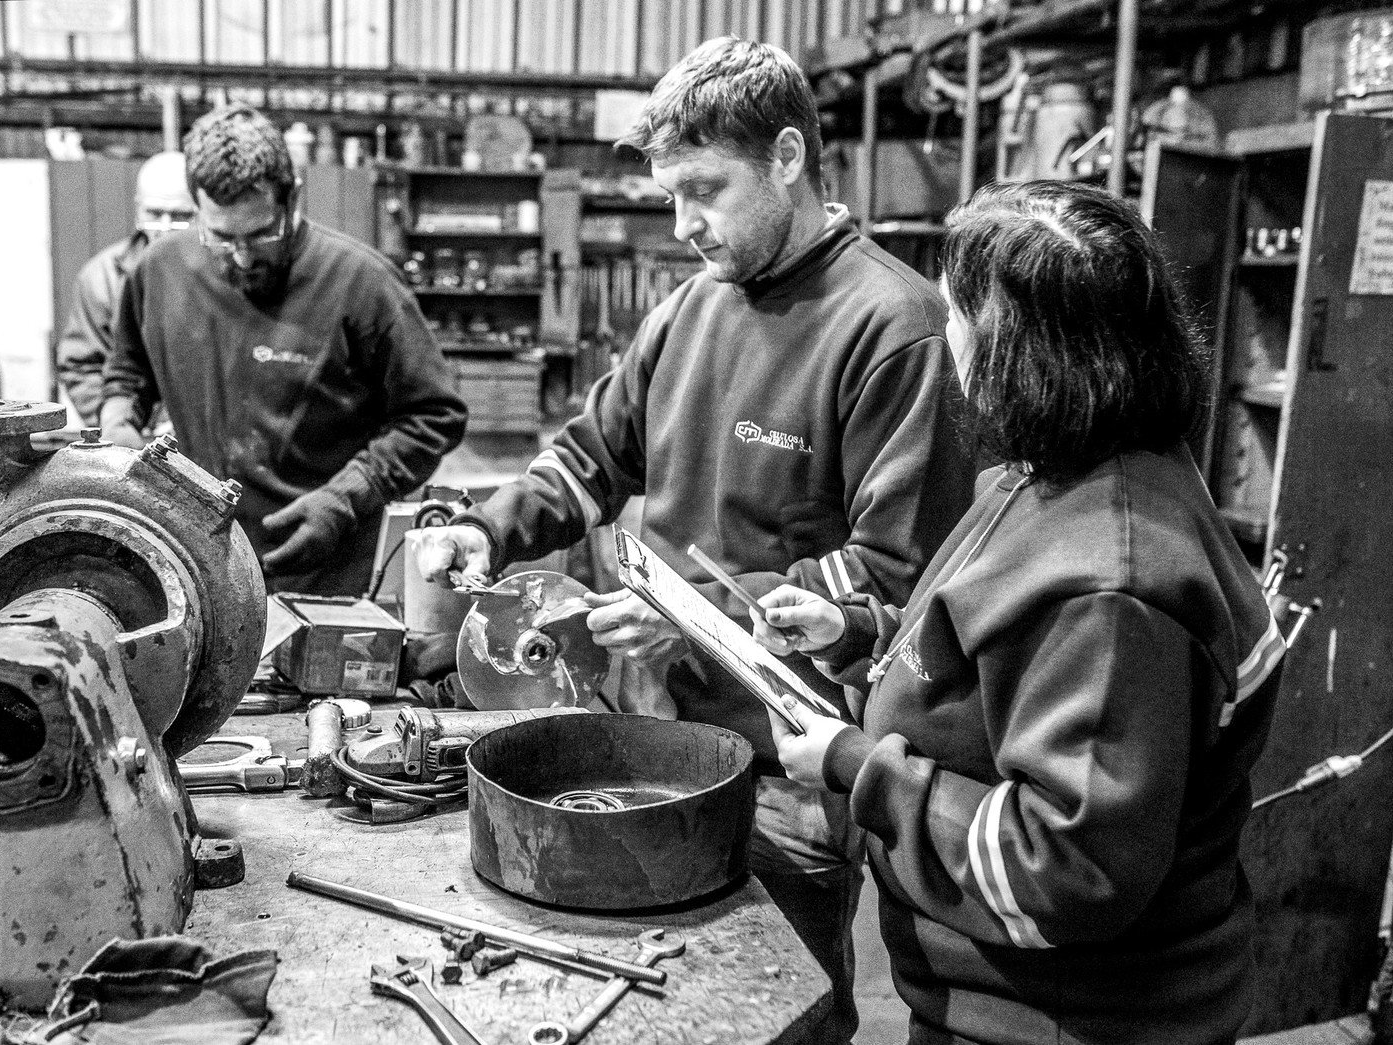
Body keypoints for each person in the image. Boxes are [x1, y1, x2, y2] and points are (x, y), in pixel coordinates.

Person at [412, 38, 974, 1042]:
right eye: (669, 195)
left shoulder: (894, 328)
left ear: (788, 159)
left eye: (704, 191)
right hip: (643, 738)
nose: (682, 226)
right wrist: (483, 528)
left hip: (780, 772)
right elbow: (590, 458)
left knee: (777, 1017)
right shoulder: (687, 309)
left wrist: (696, 618)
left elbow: (899, 575)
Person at [751, 181, 1286, 1045]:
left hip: (1060, 1023)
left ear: (1017, 347)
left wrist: (855, 764)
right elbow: (999, 669)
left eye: (958, 312)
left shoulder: (1112, 587)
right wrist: (858, 637)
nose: (947, 337)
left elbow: (1065, 866)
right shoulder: (1045, 474)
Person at [101, 105, 467, 597]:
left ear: (292, 196)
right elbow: (127, 372)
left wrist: (347, 497)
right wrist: (117, 421)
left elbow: (434, 415)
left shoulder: (361, 284)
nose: (243, 256)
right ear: (197, 206)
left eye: (261, 234)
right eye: (222, 237)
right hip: (195, 560)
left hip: (321, 568)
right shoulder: (159, 271)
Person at [56, 151, 195, 426]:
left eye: (180, 215)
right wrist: (116, 424)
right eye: (154, 213)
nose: (165, 227)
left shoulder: (221, 276)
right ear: (137, 209)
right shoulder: (101, 278)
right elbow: (82, 366)